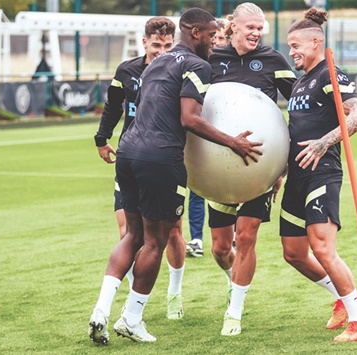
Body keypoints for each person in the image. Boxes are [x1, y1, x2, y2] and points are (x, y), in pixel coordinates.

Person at [107, 7, 262, 344]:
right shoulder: (197, 65)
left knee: (131, 236)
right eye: (210, 35)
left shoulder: (156, 63)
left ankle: (101, 310)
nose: (213, 41)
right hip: (160, 158)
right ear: (195, 33)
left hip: (128, 151)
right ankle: (131, 317)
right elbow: (189, 119)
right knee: (154, 241)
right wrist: (233, 142)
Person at [89, 16, 186, 346]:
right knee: (135, 234)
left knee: (170, 233)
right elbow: (113, 106)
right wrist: (102, 138)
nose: (161, 52)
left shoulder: (178, 70)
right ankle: (128, 312)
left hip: (157, 159)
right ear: (144, 43)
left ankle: (173, 293)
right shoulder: (126, 71)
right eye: (156, 45)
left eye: (168, 46)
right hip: (140, 159)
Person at [281, 8, 357, 343]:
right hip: (296, 176)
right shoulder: (302, 80)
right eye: (290, 46)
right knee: (293, 252)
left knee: (322, 247)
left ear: (316, 42)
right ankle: (343, 297)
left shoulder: (330, 74)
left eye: (296, 45)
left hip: (323, 172)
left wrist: (322, 143)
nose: (292, 52)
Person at [206, 2, 296, 336]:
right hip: (216, 171)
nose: (256, 33)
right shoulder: (212, 58)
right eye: (250, 28)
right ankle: (233, 282)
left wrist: (283, 160)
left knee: (246, 236)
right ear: (234, 28)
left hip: (260, 168)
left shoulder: (273, 60)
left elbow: (296, 105)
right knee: (219, 247)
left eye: (260, 29)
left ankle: (235, 311)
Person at [185, 19, 228, 258]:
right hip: (201, 137)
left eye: (221, 39)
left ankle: (228, 239)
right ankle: (196, 239)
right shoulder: (199, 65)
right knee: (197, 191)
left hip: (226, 139)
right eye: (215, 38)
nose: (217, 43)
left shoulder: (229, 67)